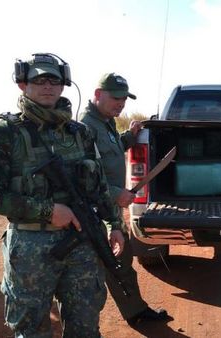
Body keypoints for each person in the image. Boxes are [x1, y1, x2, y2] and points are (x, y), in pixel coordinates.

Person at [0, 53, 125, 337]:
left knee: (85, 325)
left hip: (82, 244)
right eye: (39, 80)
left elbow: (100, 187)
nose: (47, 86)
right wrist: (47, 210)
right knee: (32, 329)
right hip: (31, 247)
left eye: (54, 80)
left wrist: (115, 224)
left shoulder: (80, 133)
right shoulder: (3, 133)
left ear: (64, 84)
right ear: (23, 83)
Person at [79, 72, 168, 327]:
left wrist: (128, 138)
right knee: (92, 276)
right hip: (93, 215)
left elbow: (107, 154)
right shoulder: (85, 127)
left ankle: (136, 312)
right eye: (115, 97)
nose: (121, 103)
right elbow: (81, 175)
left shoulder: (105, 123)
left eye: (124, 99)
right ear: (97, 95)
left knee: (122, 262)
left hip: (110, 212)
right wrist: (116, 193)